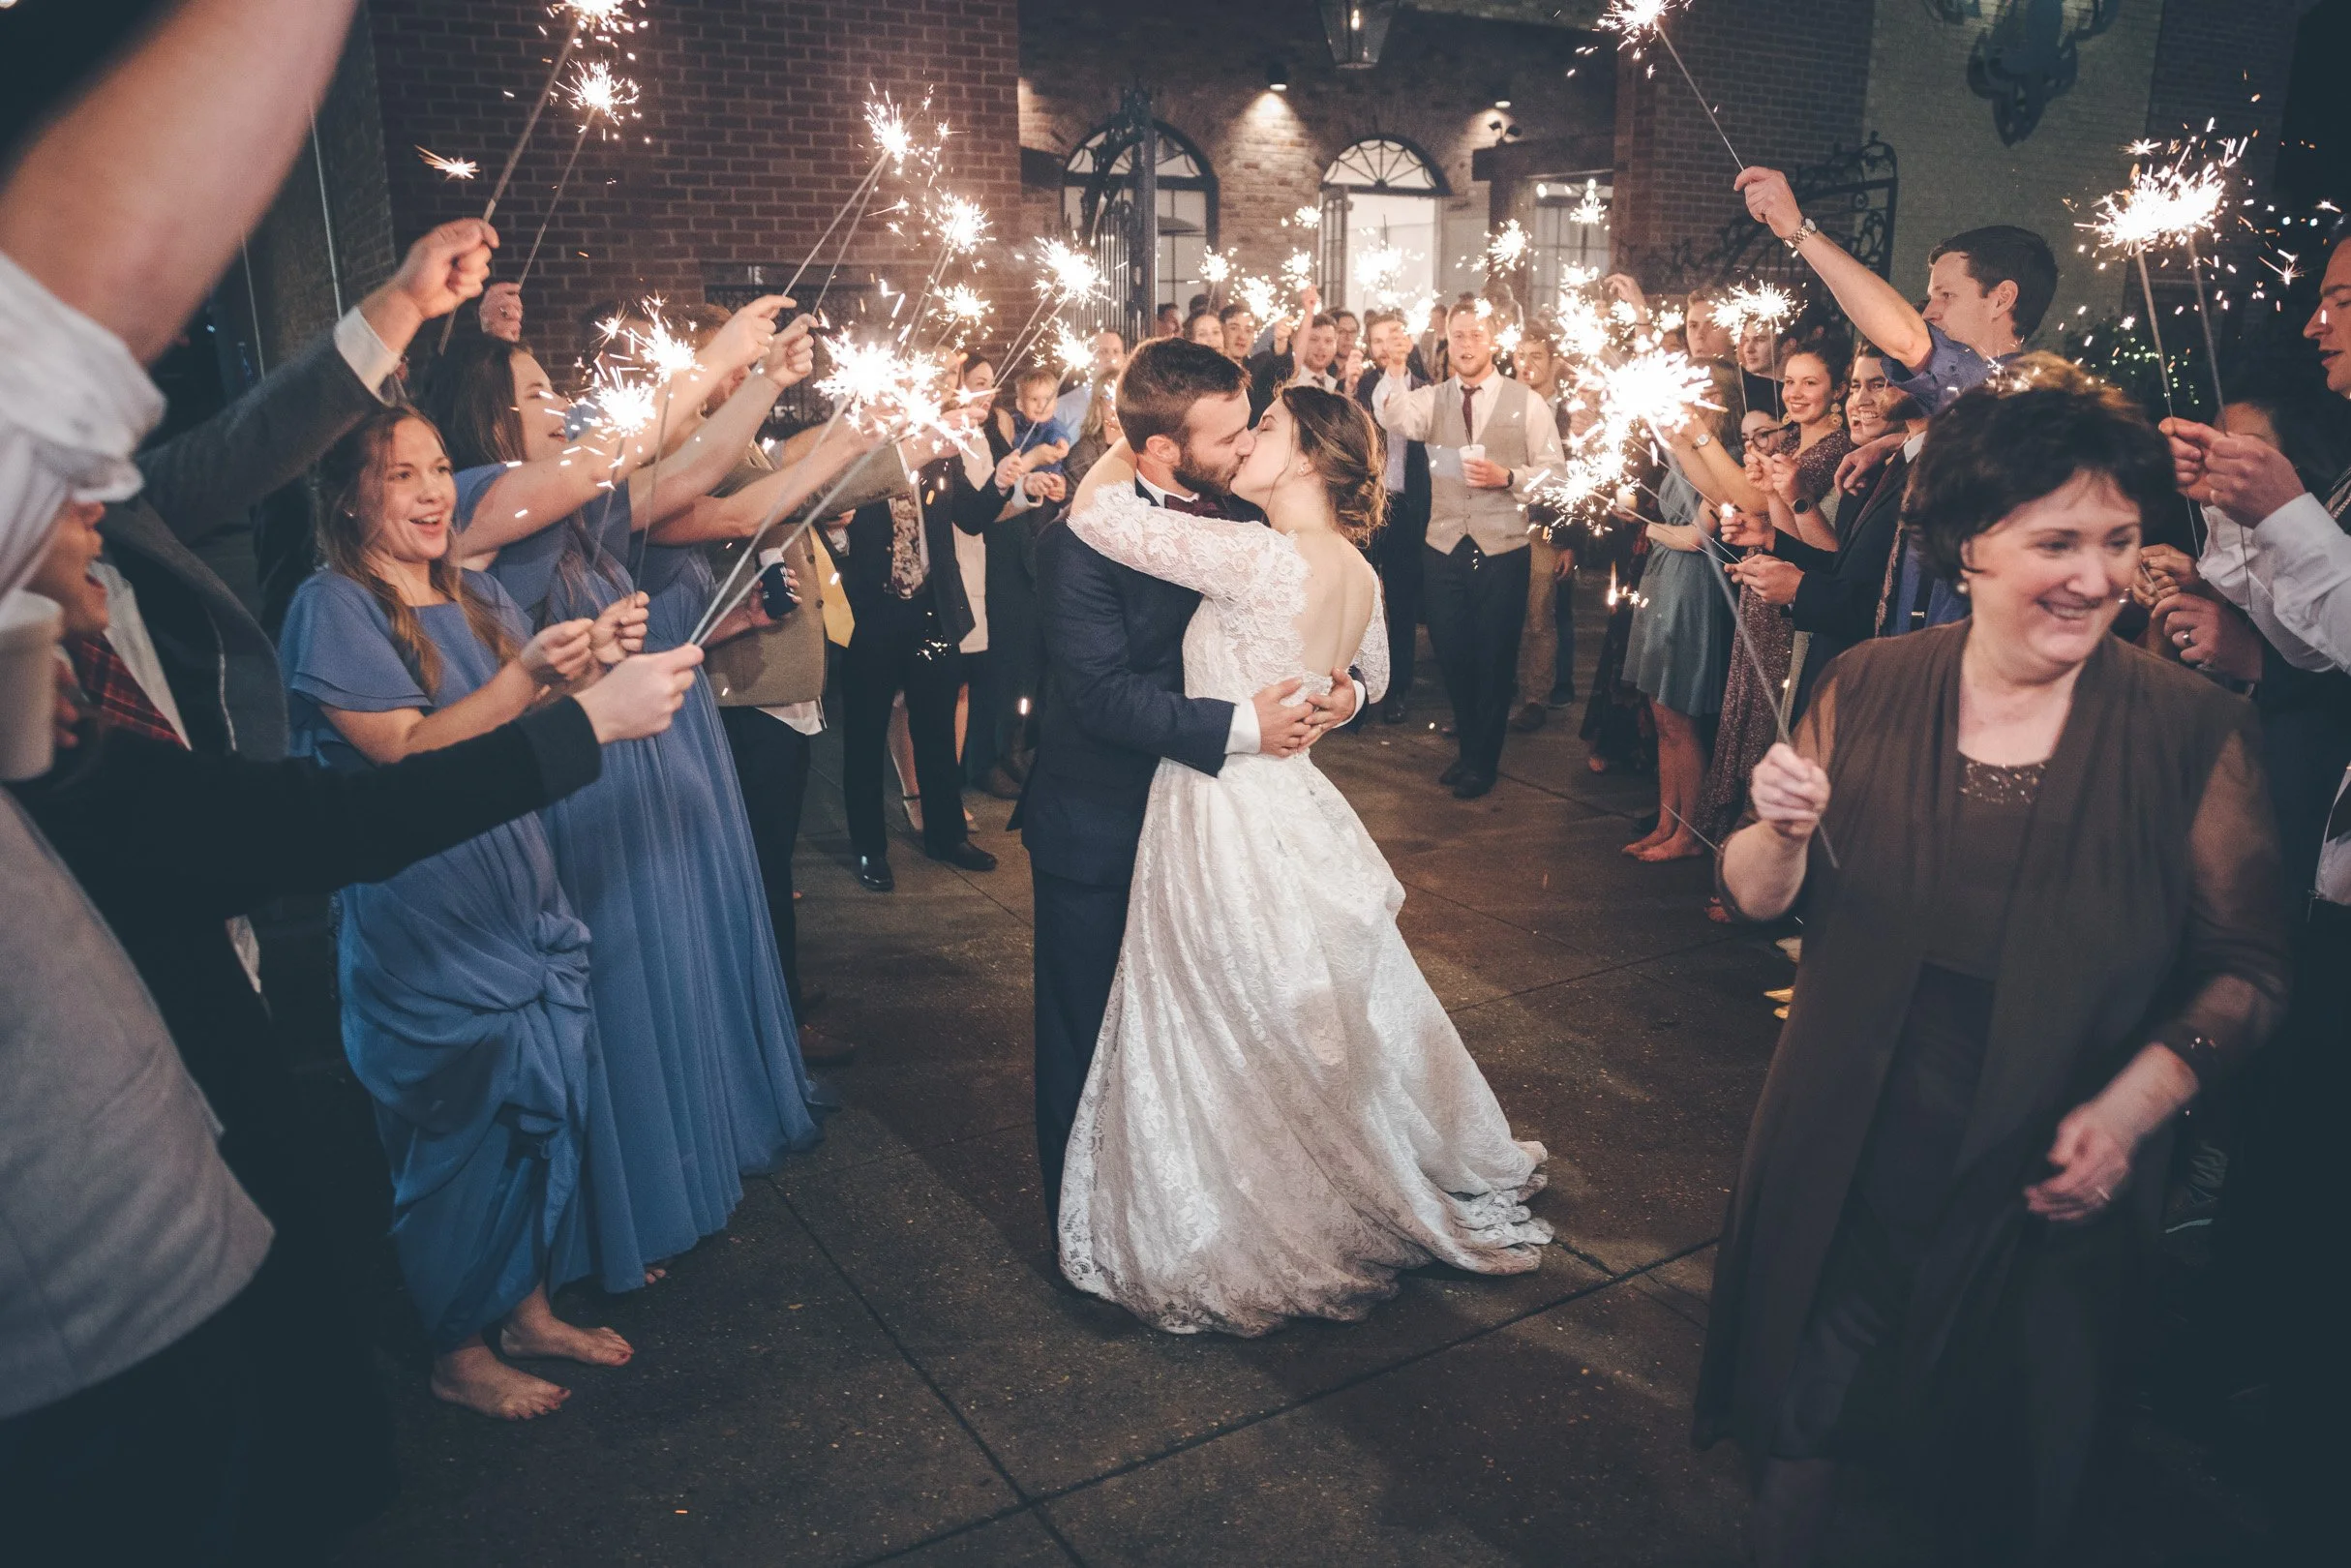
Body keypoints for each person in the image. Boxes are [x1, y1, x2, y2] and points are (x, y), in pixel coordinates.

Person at [1698, 360, 2289, 1565]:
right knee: (1808, 1421)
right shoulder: (1866, 688)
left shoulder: (2187, 729)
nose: (2095, 577)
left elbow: (2249, 970)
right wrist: (1775, 833)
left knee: (2007, 1460)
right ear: (1968, 544)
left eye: (2119, 542)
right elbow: (1755, 898)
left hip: (2055, 1151)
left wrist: (2135, 1109)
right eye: (2056, 541)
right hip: (1852, 1132)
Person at [0, 6, 440, 1561]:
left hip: (217, 928)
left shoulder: (129, 519)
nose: (96, 506)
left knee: (271, 1183)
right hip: (90, 1215)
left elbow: (250, 441)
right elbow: (47, 329)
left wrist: (390, 306)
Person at [1054, 384, 1551, 1333]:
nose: (1243, 444)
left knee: (1222, 1007)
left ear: (1310, 459)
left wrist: (1133, 444)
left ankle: (1247, 1201)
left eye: (1264, 430)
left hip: (1220, 809)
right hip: (1296, 802)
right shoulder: (1353, 569)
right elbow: (1374, 676)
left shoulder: (1251, 557)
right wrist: (1344, 704)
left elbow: (1093, 514)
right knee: (1297, 1001)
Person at [279, 408, 712, 1426]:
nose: (433, 493)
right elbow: (403, 757)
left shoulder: (473, 594)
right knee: (452, 1131)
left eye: (439, 470)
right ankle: (454, 1348)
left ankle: (521, 1310)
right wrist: (533, 678)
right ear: (350, 495)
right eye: (401, 476)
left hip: (518, 883)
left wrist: (595, 657)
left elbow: (530, 718)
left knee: (536, 1110)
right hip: (423, 908)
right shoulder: (330, 605)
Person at [426, 310, 836, 1286]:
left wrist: (764, 387)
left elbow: (687, 475)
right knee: (618, 985)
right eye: (533, 395)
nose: (559, 404)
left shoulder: (573, 512)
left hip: (648, 752)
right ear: (484, 420)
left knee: (669, 968)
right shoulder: (484, 500)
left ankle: (683, 1163)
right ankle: (610, 1216)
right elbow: (637, 455)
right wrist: (721, 356)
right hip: (583, 773)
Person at [1019, 337, 1353, 1217]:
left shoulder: (1250, 516)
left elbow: (1334, 618)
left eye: (1252, 429)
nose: (1247, 449)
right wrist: (1249, 726)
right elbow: (1099, 697)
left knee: (1213, 1032)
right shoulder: (1080, 544)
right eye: (1229, 436)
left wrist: (1343, 693)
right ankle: (1086, 1223)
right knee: (1088, 1034)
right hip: (1103, 822)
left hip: (1219, 830)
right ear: (1162, 449)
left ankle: (1200, 1214)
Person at [1375, 298, 1569, 798]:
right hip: (1442, 545)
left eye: (1475, 335)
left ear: (1494, 342)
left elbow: (1557, 476)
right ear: (1448, 343)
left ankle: (1483, 760)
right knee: (1452, 653)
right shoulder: (1432, 398)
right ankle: (1468, 751)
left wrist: (1510, 477)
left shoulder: (1527, 402)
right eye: (1457, 336)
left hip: (1502, 546)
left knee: (1495, 656)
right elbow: (1395, 418)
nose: (1465, 344)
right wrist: (1396, 370)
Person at [826, 415, 1011, 889]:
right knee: (865, 735)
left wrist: (1003, 484)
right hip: (873, 612)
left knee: (936, 727)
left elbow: (968, 515)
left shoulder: (937, 450)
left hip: (932, 609)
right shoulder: (857, 451)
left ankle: (947, 835)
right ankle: (869, 848)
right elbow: (834, 527)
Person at [1691, 348, 1853, 847]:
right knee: (1751, 711)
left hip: (1796, 601)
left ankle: (1758, 851)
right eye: (1789, 382)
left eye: (1810, 382)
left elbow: (1761, 500)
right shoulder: (1789, 443)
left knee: (1772, 720)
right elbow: (1746, 498)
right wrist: (1680, 440)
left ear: (1837, 389)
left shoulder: (1835, 449)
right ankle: (1734, 843)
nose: (1795, 393)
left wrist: (1698, 435)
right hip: (1768, 588)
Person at [1724, 351, 1921, 718]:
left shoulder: (1854, 459)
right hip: (1822, 637)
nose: (1863, 400)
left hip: (1860, 667)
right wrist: (1770, 536)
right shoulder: (1871, 463)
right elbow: (1839, 563)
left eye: (1879, 384)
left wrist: (1801, 586)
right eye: (1859, 386)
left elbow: (1874, 596)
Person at [1360, 310, 1430, 724]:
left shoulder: (1426, 388)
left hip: (1408, 507)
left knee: (1403, 602)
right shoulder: (1369, 383)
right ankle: (1361, 687)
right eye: (1377, 341)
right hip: (1370, 504)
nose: (1385, 347)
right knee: (1365, 598)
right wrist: (1394, 369)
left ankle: (1399, 687)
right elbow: (1383, 407)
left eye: (1393, 337)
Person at [1507, 329, 1574, 733]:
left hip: (1543, 528)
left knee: (1538, 614)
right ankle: (1496, 693)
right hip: (1498, 521)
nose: (1527, 363)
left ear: (1552, 362)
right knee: (1498, 612)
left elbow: (1578, 482)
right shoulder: (1503, 404)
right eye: (1521, 355)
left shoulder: (1570, 413)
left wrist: (1569, 541)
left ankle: (1535, 696)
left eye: (1536, 354)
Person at [1219, 301, 1258, 367]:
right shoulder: (1205, 372)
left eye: (1248, 330)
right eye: (1234, 328)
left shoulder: (1257, 371)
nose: (1242, 336)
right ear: (1221, 330)